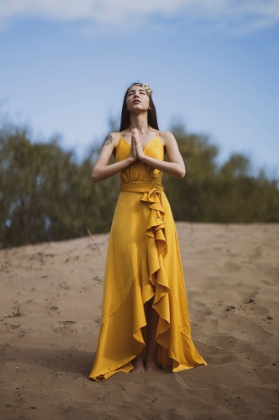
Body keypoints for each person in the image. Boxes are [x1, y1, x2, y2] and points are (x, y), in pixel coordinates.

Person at [88, 82, 206, 381]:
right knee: (132, 281)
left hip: (158, 211)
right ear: (126, 104)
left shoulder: (165, 136)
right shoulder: (113, 138)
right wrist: (128, 160)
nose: (136, 94)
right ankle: (135, 358)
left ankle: (152, 359)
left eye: (142, 92)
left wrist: (146, 158)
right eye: (130, 93)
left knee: (157, 283)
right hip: (128, 209)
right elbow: (96, 174)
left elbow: (180, 170)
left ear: (150, 104)